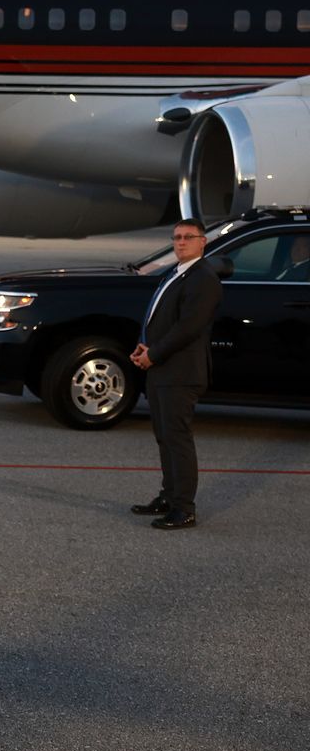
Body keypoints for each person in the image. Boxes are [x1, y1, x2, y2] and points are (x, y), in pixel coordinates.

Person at [129, 218, 223, 529]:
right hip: (161, 368)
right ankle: (168, 496)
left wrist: (153, 354)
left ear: (202, 242)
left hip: (180, 372)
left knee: (177, 438)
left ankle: (184, 508)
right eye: (177, 237)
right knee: (164, 437)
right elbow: (162, 318)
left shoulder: (203, 278)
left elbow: (188, 328)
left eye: (188, 237)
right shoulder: (178, 273)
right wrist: (145, 347)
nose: (181, 242)